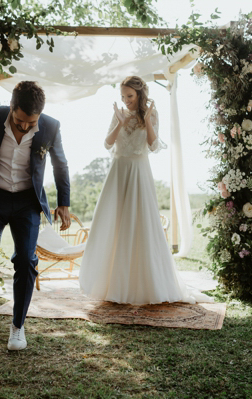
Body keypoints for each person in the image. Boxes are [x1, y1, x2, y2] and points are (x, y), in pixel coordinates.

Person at [0, 80, 71, 364]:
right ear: (11, 108)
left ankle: (18, 327)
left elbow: (60, 164)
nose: (25, 127)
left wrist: (63, 203)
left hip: (26, 202)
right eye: (20, 121)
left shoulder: (50, 127)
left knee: (27, 261)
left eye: (31, 123)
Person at [78, 76, 211, 306]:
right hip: (118, 173)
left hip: (139, 172)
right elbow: (107, 144)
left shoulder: (152, 112)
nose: (126, 100)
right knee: (115, 224)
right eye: (122, 96)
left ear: (139, 94)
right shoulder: (119, 113)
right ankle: (113, 285)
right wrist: (119, 122)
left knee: (140, 224)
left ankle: (145, 285)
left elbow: (154, 145)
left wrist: (148, 120)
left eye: (129, 96)